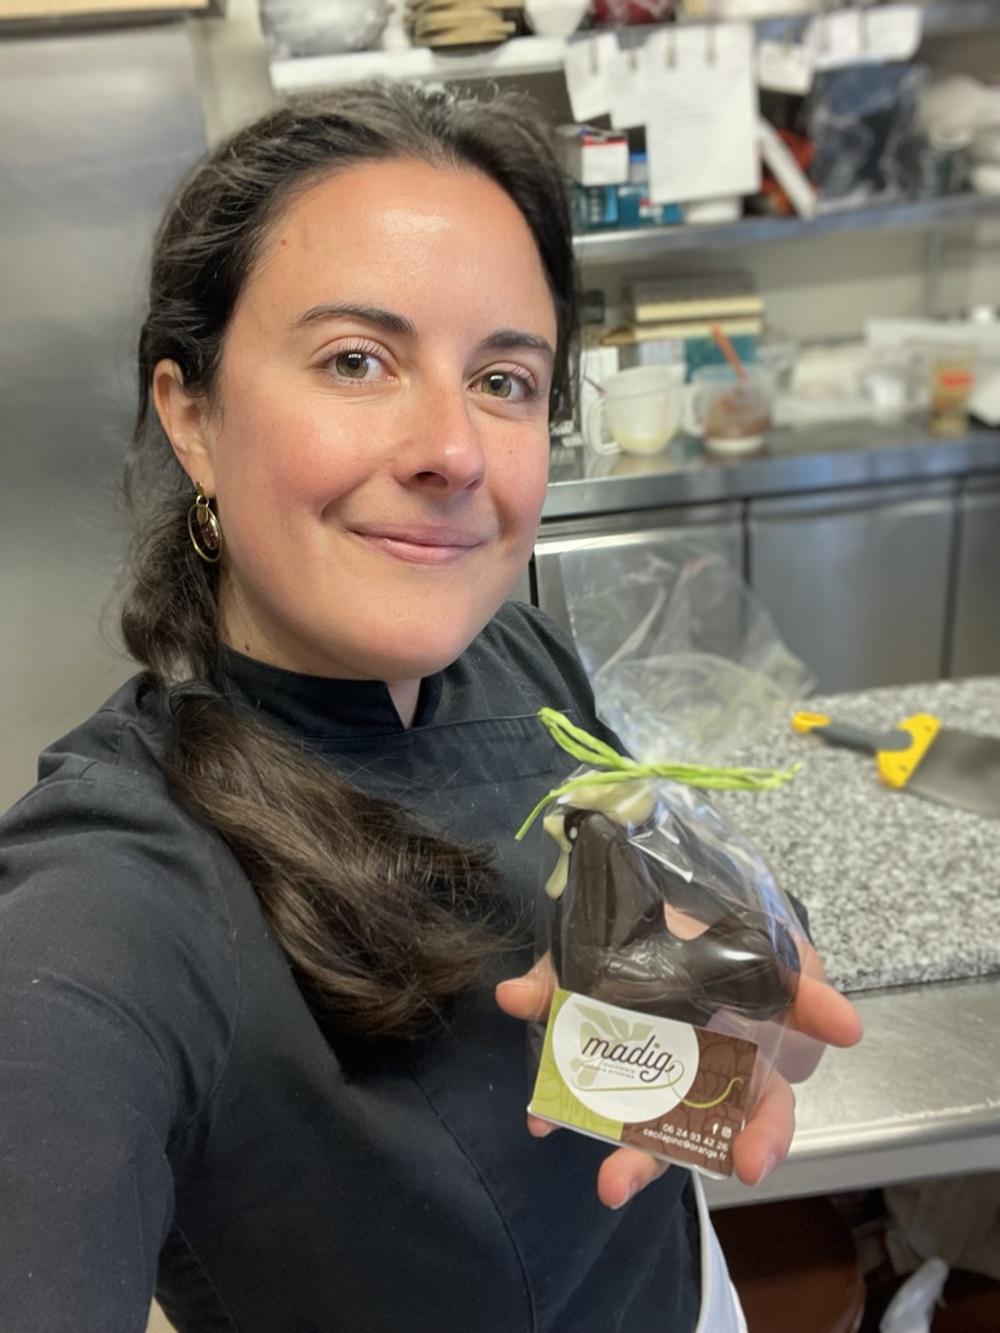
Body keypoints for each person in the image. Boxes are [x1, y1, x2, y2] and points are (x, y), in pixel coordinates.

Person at [0, 81, 862, 1333]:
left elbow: (645, 984)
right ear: (190, 413)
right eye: (358, 359)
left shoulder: (520, 657)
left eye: (504, 379)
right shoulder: (117, 889)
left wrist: (713, 1022)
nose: (451, 448)